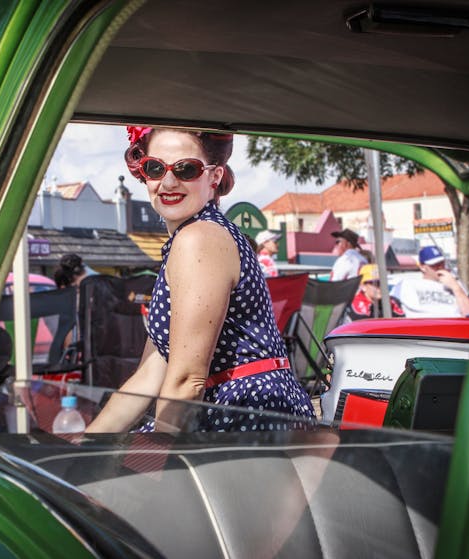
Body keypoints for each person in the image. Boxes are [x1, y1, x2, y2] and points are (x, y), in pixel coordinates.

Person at [86, 126, 315, 433]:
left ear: (214, 177)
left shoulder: (199, 239)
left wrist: (157, 463)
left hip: (243, 419)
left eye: (186, 169)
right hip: (234, 415)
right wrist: (86, 445)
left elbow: (186, 382)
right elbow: (149, 376)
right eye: (155, 168)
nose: (168, 182)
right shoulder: (192, 237)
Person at [390, 246, 469, 318]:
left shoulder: (456, 285)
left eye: (441, 263)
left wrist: (456, 288)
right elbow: (390, 308)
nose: (440, 267)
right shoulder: (407, 284)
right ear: (423, 267)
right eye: (434, 265)